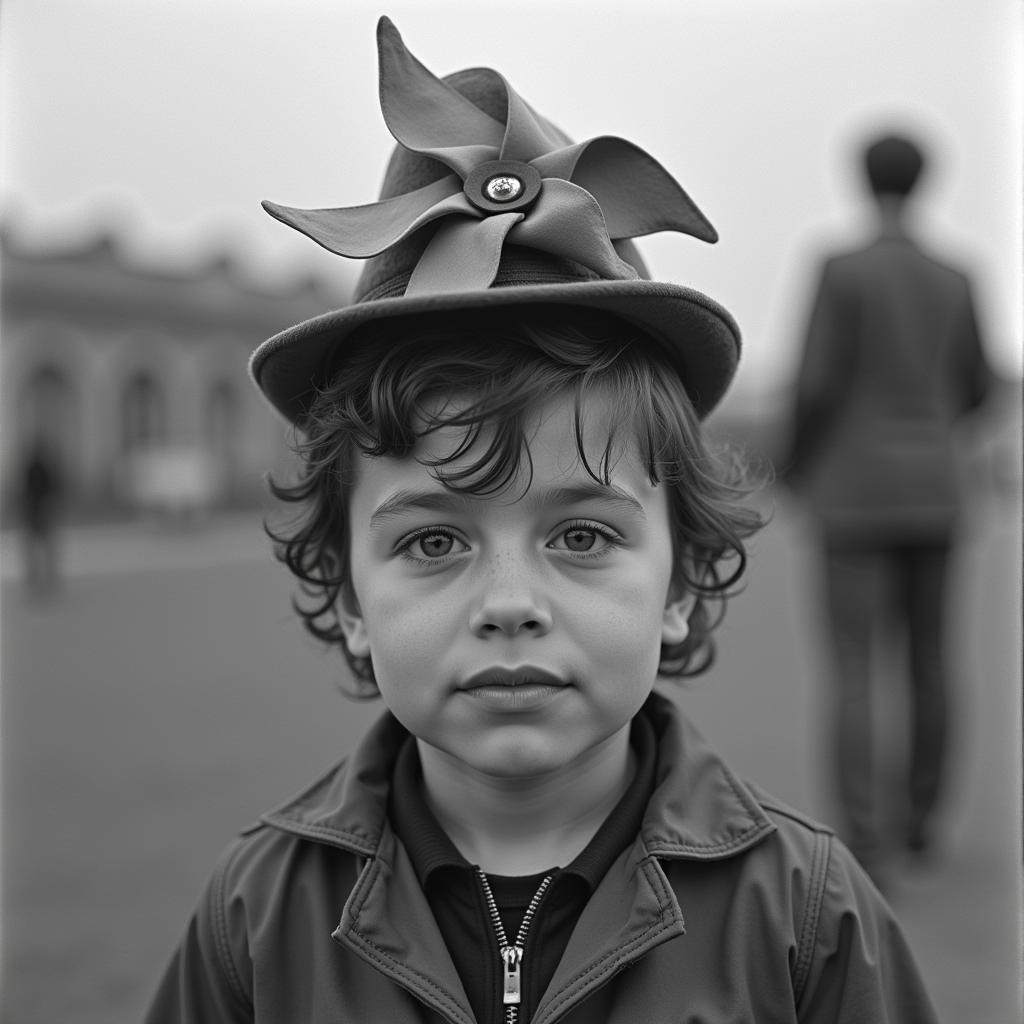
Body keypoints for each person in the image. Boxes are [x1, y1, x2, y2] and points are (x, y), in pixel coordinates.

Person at [146, 19, 938, 1022]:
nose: (509, 604)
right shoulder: (253, 919)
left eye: (581, 535)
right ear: (346, 595)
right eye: (433, 540)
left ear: (684, 584)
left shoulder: (808, 921)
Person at [783, 131, 991, 882]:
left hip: (853, 488)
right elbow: (976, 383)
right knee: (932, 660)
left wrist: (793, 465)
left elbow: (815, 385)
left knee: (853, 665)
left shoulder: (841, 269)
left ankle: (865, 834)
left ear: (861, 180)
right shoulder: (957, 274)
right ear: (927, 180)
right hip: (936, 487)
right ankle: (922, 822)